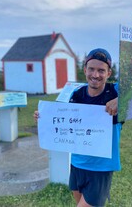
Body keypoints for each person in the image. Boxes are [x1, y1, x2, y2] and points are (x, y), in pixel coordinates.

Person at [34, 48, 122, 207]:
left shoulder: (115, 91)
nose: (95, 75)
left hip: (101, 168)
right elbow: (64, 120)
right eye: (91, 69)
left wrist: (122, 100)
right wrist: (43, 118)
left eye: (101, 70)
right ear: (85, 70)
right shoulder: (76, 94)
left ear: (109, 73)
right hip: (76, 163)